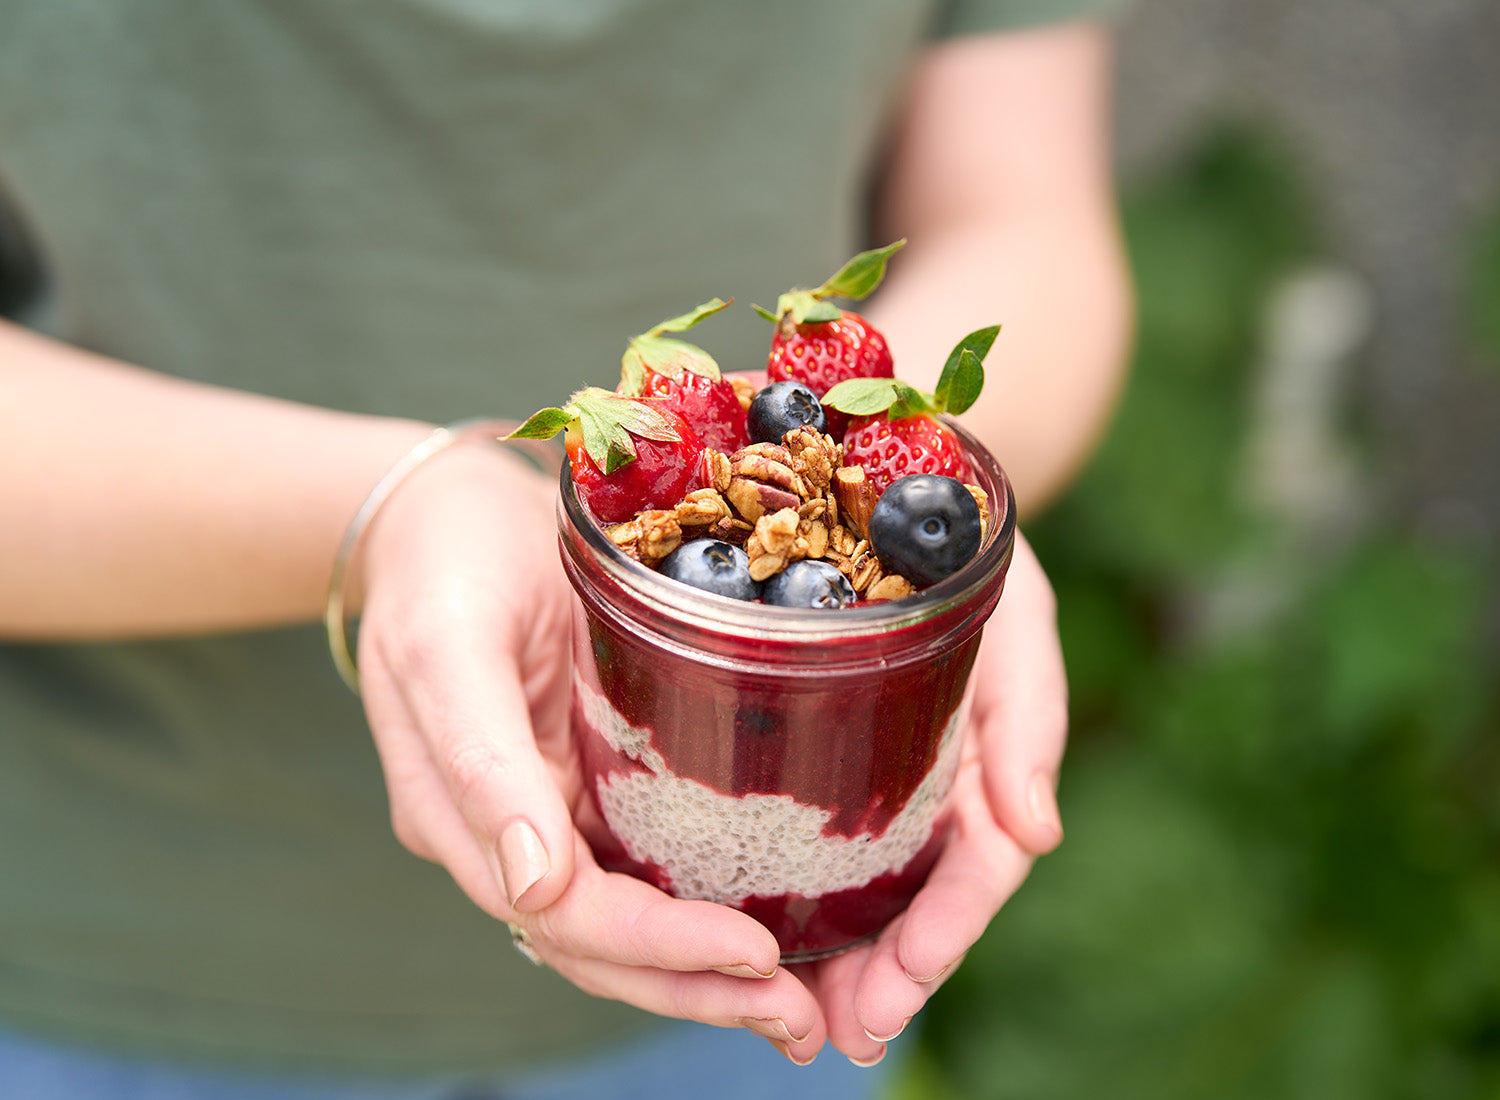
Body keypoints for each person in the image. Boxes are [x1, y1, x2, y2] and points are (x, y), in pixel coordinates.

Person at [0, 0, 1132, 1095]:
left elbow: (1021, 218)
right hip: (109, 968)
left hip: (762, 992)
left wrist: (921, 518)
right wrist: (393, 507)